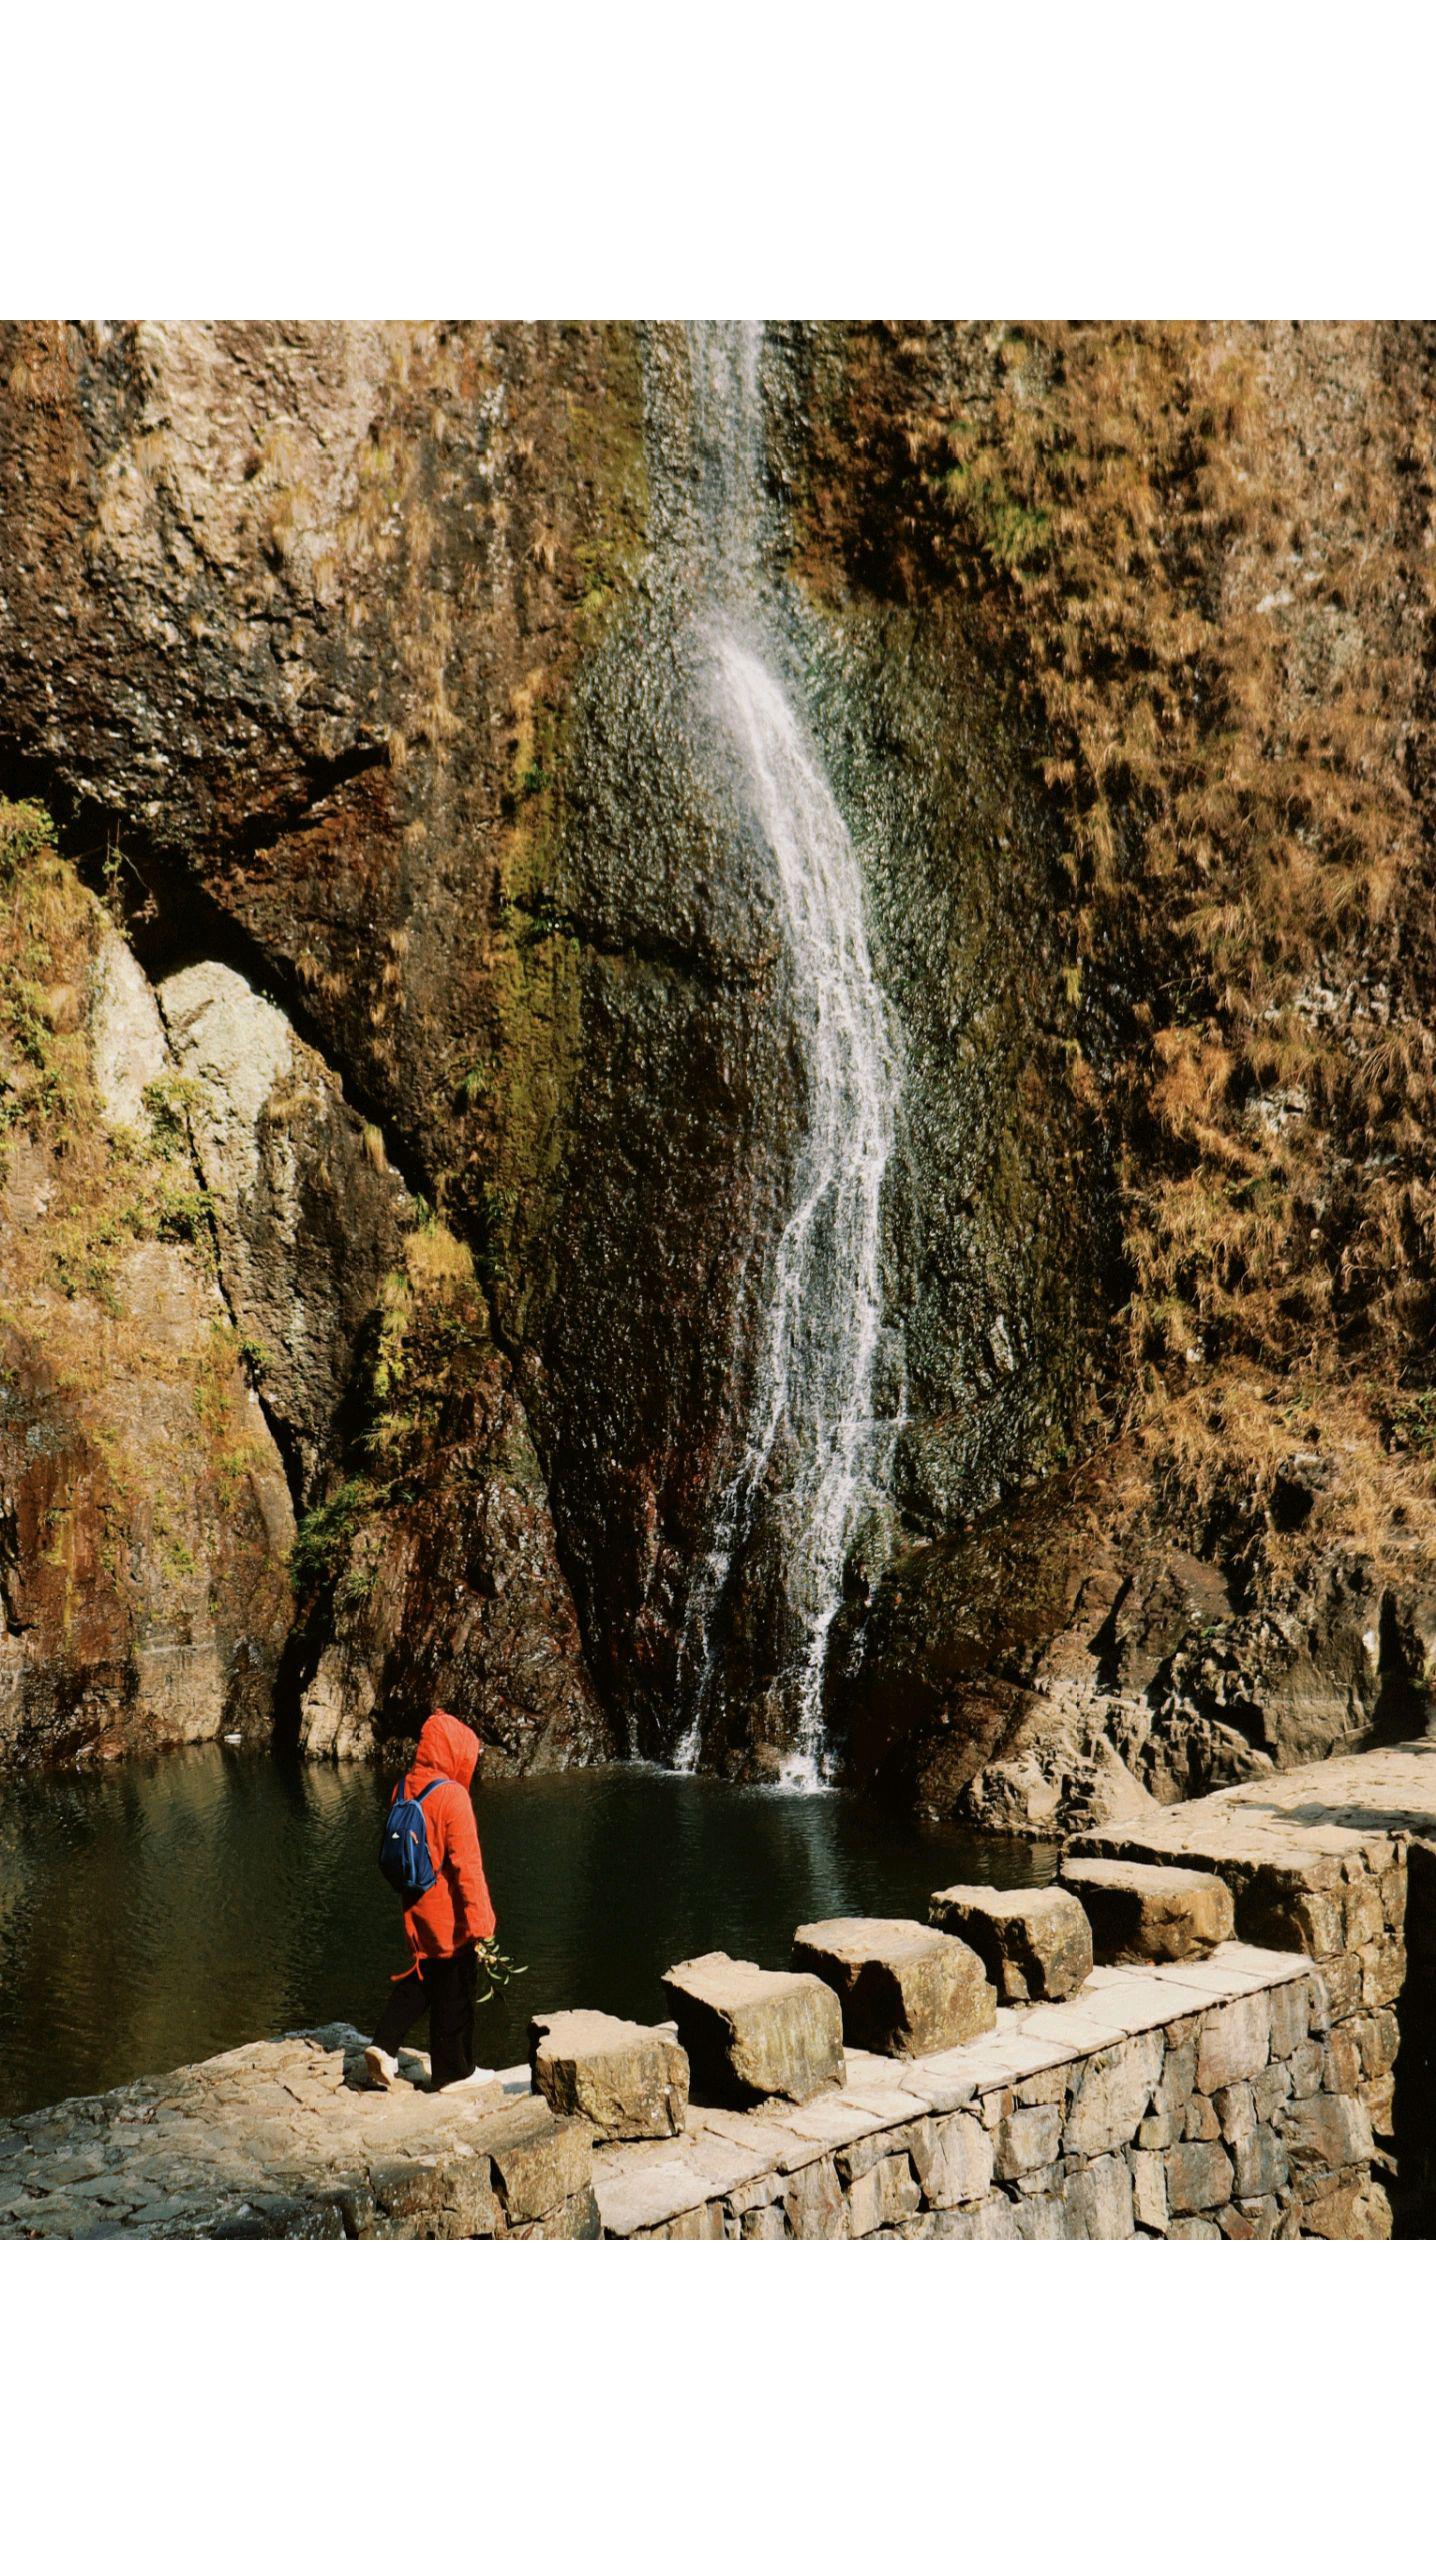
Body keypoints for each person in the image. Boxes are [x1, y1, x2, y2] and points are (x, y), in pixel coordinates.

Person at [364, 1709, 498, 2092]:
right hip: (448, 1915)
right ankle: (454, 2073)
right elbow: (467, 1869)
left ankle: (383, 2047)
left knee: (422, 1979)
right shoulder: (453, 1797)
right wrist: (481, 1926)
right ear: (455, 1752)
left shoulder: (404, 1787)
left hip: (414, 1905)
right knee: (456, 1989)